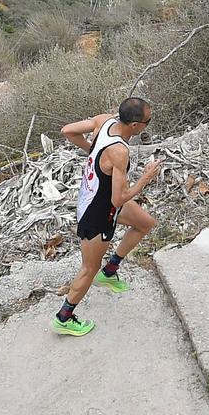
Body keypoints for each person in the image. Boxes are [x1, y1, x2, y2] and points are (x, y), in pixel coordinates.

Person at [51, 96, 160, 337]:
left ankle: (109, 272)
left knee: (145, 224)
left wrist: (92, 150)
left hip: (97, 197)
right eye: (148, 121)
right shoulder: (119, 151)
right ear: (135, 126)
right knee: (89, 269)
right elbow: (118, 200)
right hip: (98, 213)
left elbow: (67, 131)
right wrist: (146, 177)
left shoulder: (104, 121)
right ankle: (64, 317)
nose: (148, 124)